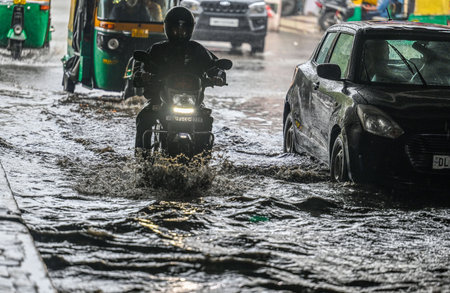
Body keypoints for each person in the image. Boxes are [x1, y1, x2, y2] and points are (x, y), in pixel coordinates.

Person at [133, 6, 226, 149]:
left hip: (193, 101)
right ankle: (142, 158)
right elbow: (142, 66)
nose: (179, 33)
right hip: (162, 100)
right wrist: (142, 75)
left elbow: (214, 66)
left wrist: (218, 76)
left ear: (190, 30)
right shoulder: (158, 49)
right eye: (175, 29)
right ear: (167, 28)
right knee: (144, 118)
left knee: (206, 119)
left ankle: (203, 158)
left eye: (183, 29)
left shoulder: (198, 50)